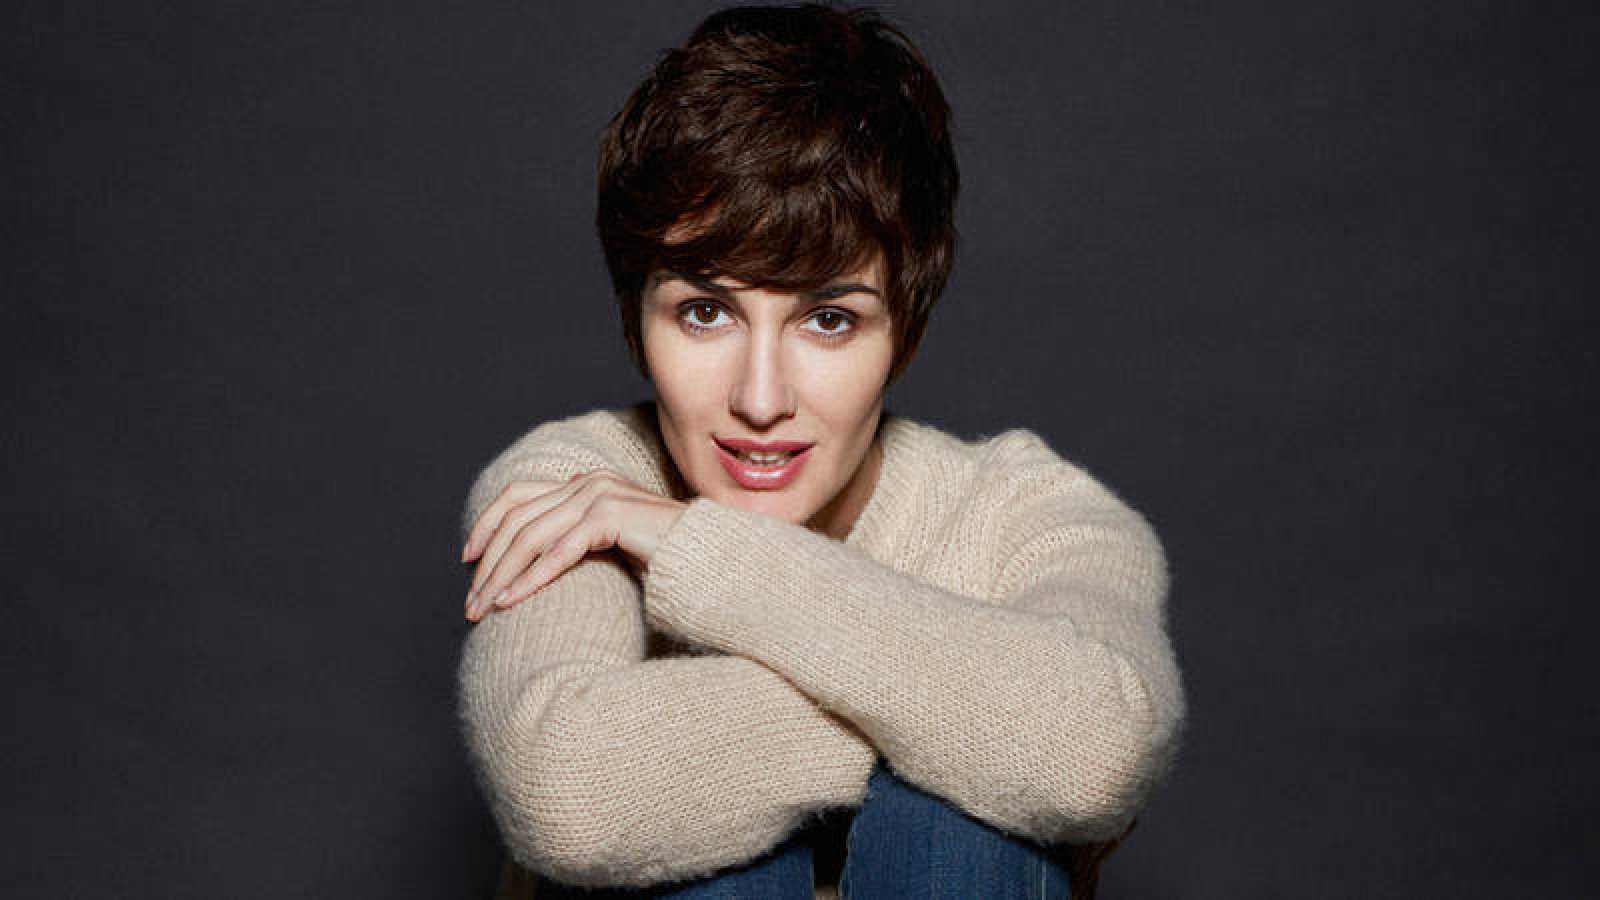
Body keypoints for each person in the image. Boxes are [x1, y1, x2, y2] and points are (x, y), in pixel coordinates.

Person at [456, 4, 1186, 898]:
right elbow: (569, 793)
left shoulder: (1029, 515)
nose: (761, 399)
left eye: (829, 319)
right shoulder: (577, 489)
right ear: (635, 322)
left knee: (957, 829)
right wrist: (972, 717)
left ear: (905, 335)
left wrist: (693, 546)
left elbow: (1099, 752)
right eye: (705, 312)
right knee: (715, 861)